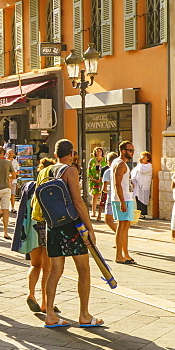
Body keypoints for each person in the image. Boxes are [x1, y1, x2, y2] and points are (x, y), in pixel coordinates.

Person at [39, 139, 102, 329]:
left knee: (55, 270)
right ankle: (84, 314)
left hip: (52, 225)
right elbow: (77, 200)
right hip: (70, 226)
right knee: (83, 269)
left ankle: (50, 314)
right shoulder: (70, 170)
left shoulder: (45, 171)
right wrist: (90, 227)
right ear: (72, 153)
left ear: (55, 153)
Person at [14, 158, 56, 315]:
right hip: (46, 228)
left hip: (32, 230)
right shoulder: (51, 186)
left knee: (35, 264)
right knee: (48, 268)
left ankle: (31, 293)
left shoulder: (29, 186)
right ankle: (46, 302)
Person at [111, 141, 137, 264]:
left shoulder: (119, 163)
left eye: (133, 150)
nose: (132, 153)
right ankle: (119, 255)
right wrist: (122, 202)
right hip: (123, 198)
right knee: (122, 227)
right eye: (130, 150)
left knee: (125, 227)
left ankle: (125, 254)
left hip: (126, 197)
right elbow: (117, 184)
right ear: (123, 151)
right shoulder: (120, 164)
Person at [131, 150, 154, 217]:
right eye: (142, 157)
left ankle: (143, 213)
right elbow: (134, 172)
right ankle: (139, 213)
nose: (142, 158)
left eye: (144, 157)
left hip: (143, 185)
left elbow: (142, 171)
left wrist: (140, 164)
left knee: (143, 199)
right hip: (137, 184)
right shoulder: (139, 165)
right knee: (138, 198)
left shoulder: (149, 166)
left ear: (148, 158)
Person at [100, 152, 119, 232]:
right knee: (120, 221)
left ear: (108, 161)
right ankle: (120, 240)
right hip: (122, 198)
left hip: (111, 198)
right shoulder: (122, 169)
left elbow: (104, 188)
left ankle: (121, 237)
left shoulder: (108, 172)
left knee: (108, 220)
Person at [87, 147, 106, 221]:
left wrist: (101, 179)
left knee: (103, 196)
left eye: (100, 151)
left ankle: (101, 213)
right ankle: (93, 211)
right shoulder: (92, 161)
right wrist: (92, 178)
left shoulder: (105, 160)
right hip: (94, 180)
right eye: (97, 151)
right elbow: (89, 170)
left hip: (103, 180)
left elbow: (107, 169)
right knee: (95, 196)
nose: (98, 152)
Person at [6, 148, 21, 212]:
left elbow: (18, 172)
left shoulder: (15, 161)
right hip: (6, 180)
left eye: (12, 153)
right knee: (6, 195)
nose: (11, 154)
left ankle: (12, 207)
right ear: (7, 153)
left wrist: (12, 173)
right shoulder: (5, 161)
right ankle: (5, 207)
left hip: (13, 181)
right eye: (9, 153)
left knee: (13, 194)